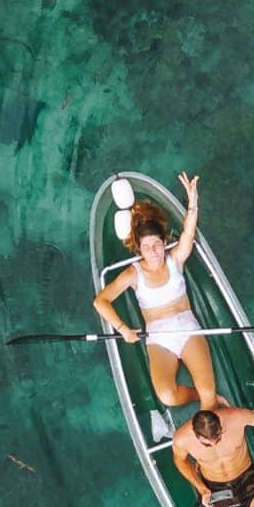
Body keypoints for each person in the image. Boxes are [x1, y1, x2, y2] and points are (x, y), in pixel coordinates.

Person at [92, 172, 215, 413]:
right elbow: (101, 301)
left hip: (187, 328)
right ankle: (195, 396)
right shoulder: (132, 273)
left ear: (164, 241)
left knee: (209, 394)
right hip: (158, 337)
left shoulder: (175, 258)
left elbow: (189, 234)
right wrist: (123, 329)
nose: (154, 251)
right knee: (168, 396)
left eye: (157, 244)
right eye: (147, 247)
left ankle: (209, 398)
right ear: (139, 248)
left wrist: (192, 204)